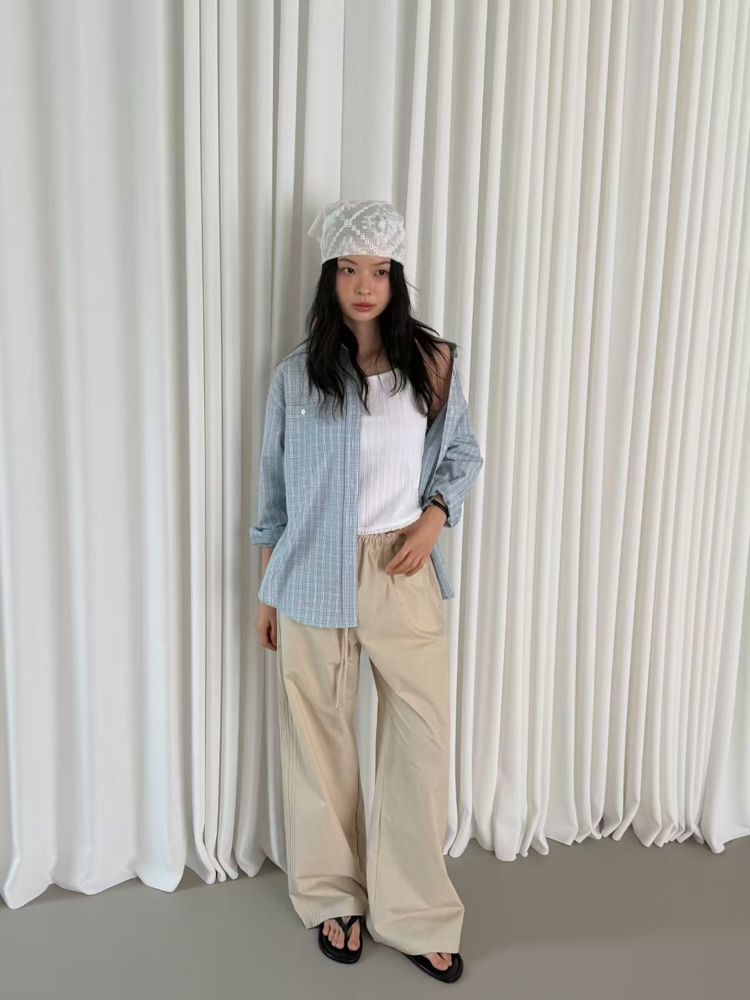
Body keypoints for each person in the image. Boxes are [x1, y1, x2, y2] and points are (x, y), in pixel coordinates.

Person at [250, 199, 483, 984]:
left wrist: (434, 519)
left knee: (421, 741)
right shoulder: (296, 376)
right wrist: (267, 591)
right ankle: (334, 898)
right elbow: (273, 493)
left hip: (401, 570)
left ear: (395, 278)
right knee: (318, 742)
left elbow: (462, 456)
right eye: (349, 270)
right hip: (308, 571)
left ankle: (417, 913)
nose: (363, 285)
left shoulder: (433, 364)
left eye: (378, 271)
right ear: (330, 277)